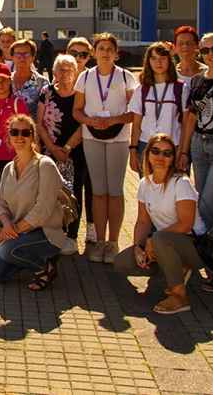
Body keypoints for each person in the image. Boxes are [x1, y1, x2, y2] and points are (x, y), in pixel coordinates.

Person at [112, 132, 202, 314]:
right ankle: (174, 270)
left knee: (159, 240)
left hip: (194, 245)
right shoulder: (145, 183)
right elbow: (143, 221)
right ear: (147, 154)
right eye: (156, 151)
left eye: (167, 153)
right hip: (164, 242)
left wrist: (153, 240)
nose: (161, 156)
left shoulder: (181, 182)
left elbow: (186, 224)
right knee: (122, 262)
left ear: (172, 159)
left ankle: (179, 296)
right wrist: (138, 246)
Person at [72, 32, 137, 264]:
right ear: (94, 52)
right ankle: (99, 241)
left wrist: (114, 120)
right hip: (92, 137)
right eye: (101, 48)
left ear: (116, 53)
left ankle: (113, 242)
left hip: (118, 138)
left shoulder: (127, 77)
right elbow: (77, 110)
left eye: (110, 49)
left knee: (115, 190)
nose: (106, 52)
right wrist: (90, 122)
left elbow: (134, 113)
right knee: (98, 191)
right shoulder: (85, 77)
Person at [177, 32, 213, 292]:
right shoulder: (198, 80)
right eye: (206, 50)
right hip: (199, 146)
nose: (211, 54)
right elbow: (189, 119)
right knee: (205, 206)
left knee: (210, 208)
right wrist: (184, 150)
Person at [0, 114, 67, 290]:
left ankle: (45, 268)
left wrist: (9, 234)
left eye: (25, 132)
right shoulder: (8, 168)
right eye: (14, 132)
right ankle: (26, 256)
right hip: (18, 233)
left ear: (33, 136)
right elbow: (0, 204)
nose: (19, 137)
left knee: (5, 249)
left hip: (44, 234)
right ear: (9, 137)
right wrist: (6, 224)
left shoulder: (45, 166)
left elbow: (42, 210)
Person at [36, 54, 84, 255]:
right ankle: (53, 232)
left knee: (74, 192)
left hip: (76, 150)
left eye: (69, 70)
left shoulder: (82, 94)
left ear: (76, 73)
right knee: (50, 191)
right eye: (61, 70)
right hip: (50, 150)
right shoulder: (46, 93)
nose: (65, 74)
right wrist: (53, 148)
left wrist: (67, 148)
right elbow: (39, 123)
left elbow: (84, 123)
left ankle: (72, 236)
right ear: (54, 73)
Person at [128, 41, 187, 177]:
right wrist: (133, 151)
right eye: (153, 58)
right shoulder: (141, 89)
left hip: (173, 148)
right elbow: (136, 124)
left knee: (172, 192)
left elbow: (185, 124)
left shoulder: (181, 88)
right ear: (148, 62)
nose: (158, 63)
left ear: (169, 61)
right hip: (146, 146)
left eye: (162, 59)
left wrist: (182, 152)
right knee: (148, 192)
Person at [66, 36, 96, 244]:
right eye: (74, 53)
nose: (77, 58)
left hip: (88, 138)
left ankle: (92, 225)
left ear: (89, 57)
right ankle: (72, 232)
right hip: (66, 141)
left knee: (91, 185)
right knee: (73, 186)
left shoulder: (92, 79)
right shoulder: (61, 75)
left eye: (82, 55)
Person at [9, 39, 50, 118]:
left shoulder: (42, 83)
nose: (22, 57)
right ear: (13, 58)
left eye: (26, 54)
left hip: (33, 128)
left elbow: (48, 112)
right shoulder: (5, 81)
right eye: (18, 54)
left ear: (33, 57)